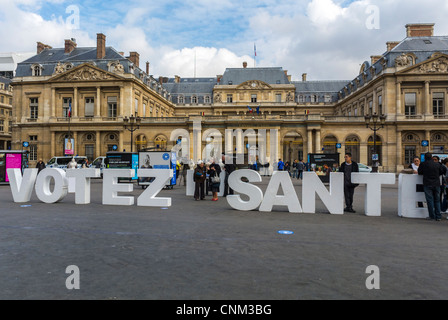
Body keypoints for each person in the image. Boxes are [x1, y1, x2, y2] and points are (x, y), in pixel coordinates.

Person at [418, 152, 444, 221]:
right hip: (436, 184)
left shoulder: (423, 164)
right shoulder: (437, 164)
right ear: (432, 157)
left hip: (427, 184)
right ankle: (438, 216)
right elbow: (441, 172)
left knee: (430, 200)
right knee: (437, 200)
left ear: (425, 158)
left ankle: (432, 216)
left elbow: (419, 172)